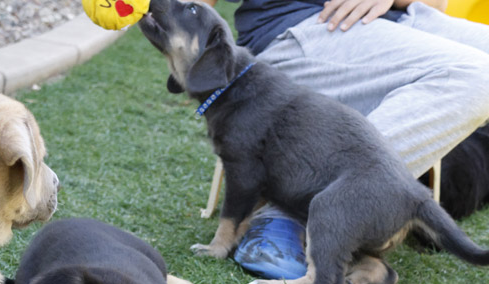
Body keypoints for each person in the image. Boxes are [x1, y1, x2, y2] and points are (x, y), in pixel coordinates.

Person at [200, 0, 489, 178]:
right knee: (478, 76)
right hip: (296, 29)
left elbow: (436, 3)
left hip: (402, 21)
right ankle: (300, 205)